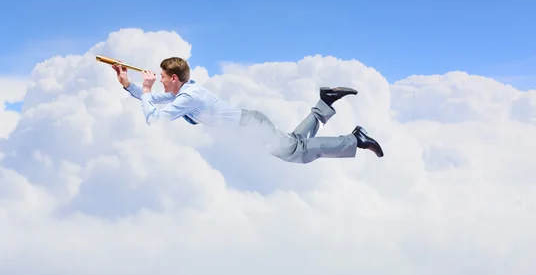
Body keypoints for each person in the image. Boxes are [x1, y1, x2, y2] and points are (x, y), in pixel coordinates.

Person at [112, 56, 384, 164]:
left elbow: (153, 119)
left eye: (161, 76)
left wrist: (146, 90)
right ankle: (325, 102)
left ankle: (355, 139)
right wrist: (128, 85)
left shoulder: (187, 98)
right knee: (294, 144)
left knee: (295, 153)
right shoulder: (184, 92)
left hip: (249, 127)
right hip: (250, 123)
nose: (158, 80)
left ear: (174, 78)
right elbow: (154, 101)